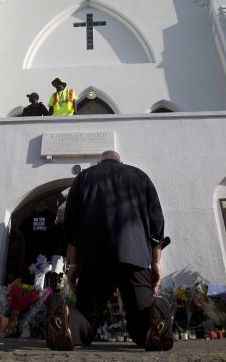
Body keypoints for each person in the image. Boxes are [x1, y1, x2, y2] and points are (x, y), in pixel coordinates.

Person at [45, 150, 173, 351]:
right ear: (120, 161)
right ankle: (151, 329)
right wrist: (156, 263)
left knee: (87, 317)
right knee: (140, 314)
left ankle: (67, 324)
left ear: (99, 161)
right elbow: (157, 223)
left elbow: (70, 227)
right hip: (135, 256)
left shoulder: (84, 177)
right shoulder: (140, 176)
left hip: (93, 257)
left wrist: (74, 265)